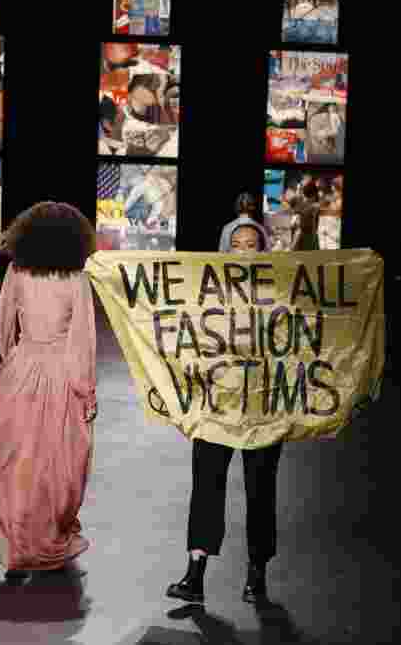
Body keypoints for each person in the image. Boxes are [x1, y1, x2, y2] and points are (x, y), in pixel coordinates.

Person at [0, 202, 98, 586]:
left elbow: (2, 325)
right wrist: (87, 392)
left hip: (22, 369)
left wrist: (15, 358)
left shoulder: (17, 271)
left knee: (17, 460)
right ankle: (48, 537)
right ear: (75, 239)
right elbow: (83, 340)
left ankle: (17, 547)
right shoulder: (77, 280)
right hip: (62, 374)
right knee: (58, 465)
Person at [166, 218, 299, 606]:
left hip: (262, 408)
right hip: (216, 406)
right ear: (226, 249)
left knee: (261, 492)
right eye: (237, 244)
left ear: (264, 249)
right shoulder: (209, 295)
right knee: (206, 488)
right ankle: (195, 574)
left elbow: (292, 348)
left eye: (252, 243)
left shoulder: (277, 294)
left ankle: (257, 574)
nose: (245, 250)